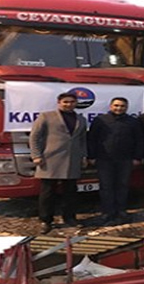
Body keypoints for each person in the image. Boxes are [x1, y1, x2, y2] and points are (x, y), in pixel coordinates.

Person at [30, 92, 88, 233]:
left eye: (72, 102)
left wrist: (83, 156)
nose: (69, 105)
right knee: (47, 193)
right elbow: (34, 137)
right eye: (66, 102)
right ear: (59, 102)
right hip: (50, 160)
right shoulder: (46, 116)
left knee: (70, 193)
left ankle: (69, 218)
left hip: (72, 160)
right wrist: (36, 155)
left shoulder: (81, 119)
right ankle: (46, 220)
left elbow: (82, 140)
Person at [87, 97, 144, 226]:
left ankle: (121, 211)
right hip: (104, 159)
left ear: (127, 107)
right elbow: (92, 139)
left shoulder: (133, 122)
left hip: (125, 160)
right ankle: (107, 212)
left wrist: (137, 157)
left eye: (122, 106)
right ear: (111, 106)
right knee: (106, 187)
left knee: (122, 186)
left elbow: (139, 140)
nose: (119, 108)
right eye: (116, 105)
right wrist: (92, 156)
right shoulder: (100, 120)